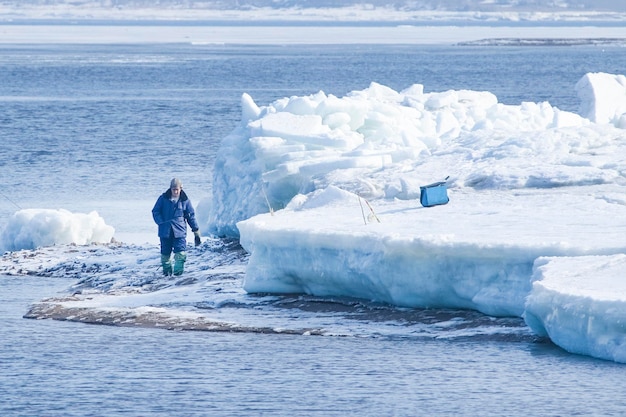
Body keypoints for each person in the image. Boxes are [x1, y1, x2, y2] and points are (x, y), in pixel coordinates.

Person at [152, 178, 201, 276]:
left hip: (179, 232)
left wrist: (196, 231)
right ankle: (167, 274)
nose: (175, 191)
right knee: (165, 254)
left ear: (181, 189)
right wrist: (161, 222)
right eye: (173, 189)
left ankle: (178, 275)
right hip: (165, 231)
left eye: (177, 189)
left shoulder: (185, 201)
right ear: (170, 189)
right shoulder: (163, 199)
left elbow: (190, 216)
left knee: (180, 254)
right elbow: (155, 211)